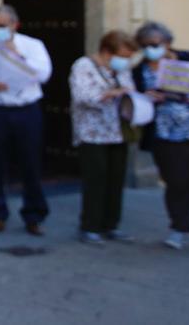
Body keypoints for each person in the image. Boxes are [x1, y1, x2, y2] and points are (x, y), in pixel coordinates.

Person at [0, 5, 53, 235]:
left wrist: (19, 56)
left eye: (2, 26)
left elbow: (44, 74)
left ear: (15, 25)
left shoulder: (33, 46)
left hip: (26, 110)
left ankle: (34, 215)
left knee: (30, 164)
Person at [132, 21, 189, 250]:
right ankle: (179, 228)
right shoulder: (139, 70)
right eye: (144, 45)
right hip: (166, 134)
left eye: (154, 44)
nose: (149, 48)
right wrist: (147, 97)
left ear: (167, 42)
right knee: (177, 182)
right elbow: (137, 99)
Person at [69, 31, 138, 244]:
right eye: (123, 56)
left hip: (118, 132)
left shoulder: (122, 69)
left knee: (115, 180)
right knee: (95, 179)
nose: (125, 61)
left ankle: (111, 225)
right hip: (92, 133)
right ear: (107, 51)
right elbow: (82, 96)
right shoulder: (83, 66)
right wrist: (110, 94)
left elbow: (130, 89)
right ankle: (90, 227)